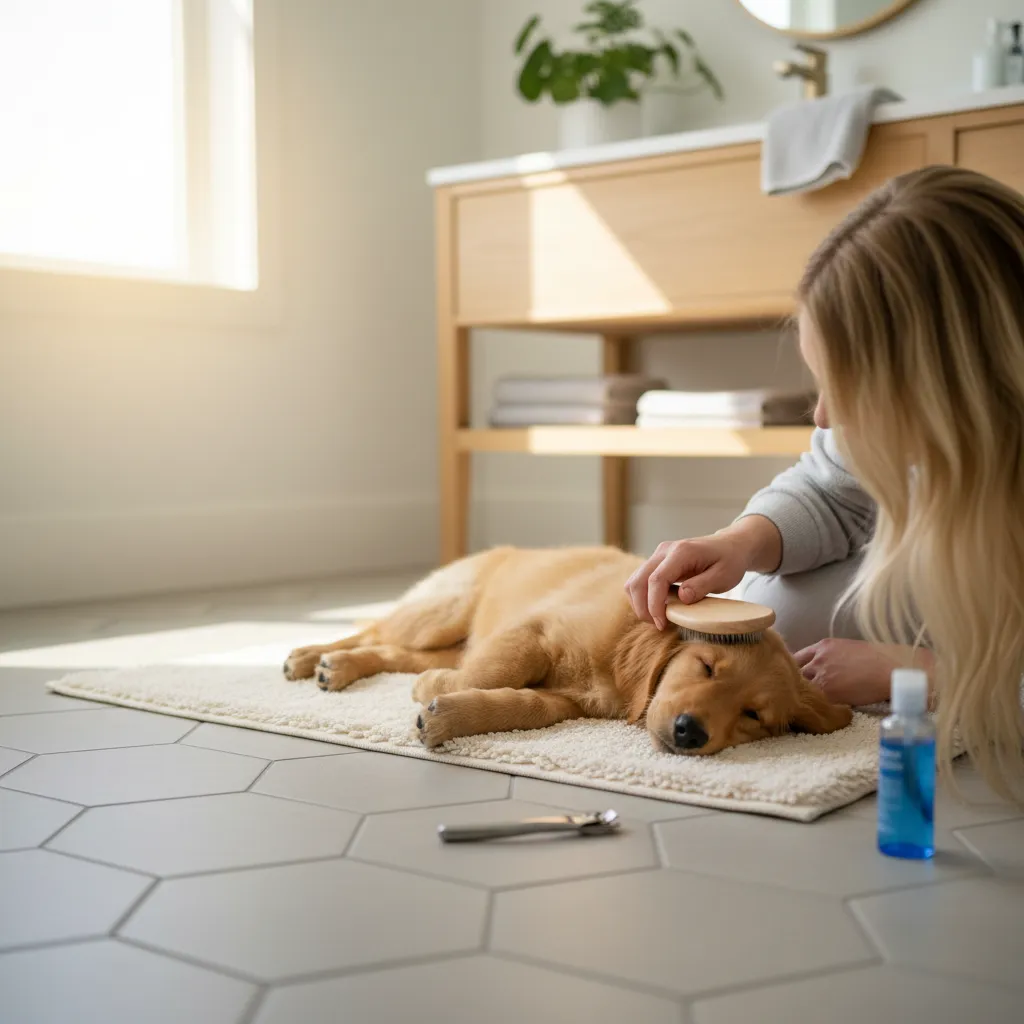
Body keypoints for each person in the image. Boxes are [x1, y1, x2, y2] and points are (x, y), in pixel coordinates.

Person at [626, 165, 1024, 803]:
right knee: (775, 605)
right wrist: (741, 542)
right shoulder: (885, 430)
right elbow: (828, 485)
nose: (823, 417)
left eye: (849, 391)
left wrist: (917, 673)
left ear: (948, 386)